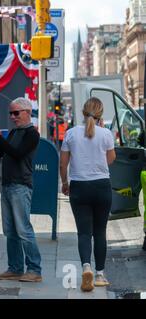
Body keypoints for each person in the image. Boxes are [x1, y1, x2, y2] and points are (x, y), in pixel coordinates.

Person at [60, 97, 116, 292]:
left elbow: (63, 163)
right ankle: (100, 274)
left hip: (79, 187)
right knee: (100, 231)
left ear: (83, 113)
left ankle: (86, 267)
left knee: (84, 232)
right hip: (101, 186)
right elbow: (110, 160)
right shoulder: (106, 134)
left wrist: (65, 183)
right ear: (100, 114)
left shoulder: (70, 134)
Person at [0, 97, 42, 283]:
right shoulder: (13, 133)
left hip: (21, 185)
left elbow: (18, 154)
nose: (12, 116)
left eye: (16, 113)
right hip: (7, 185)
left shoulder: (32, 134)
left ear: (27, 112)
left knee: (23, 229)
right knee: (10, 230)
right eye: (10, 113)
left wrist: (0, 138)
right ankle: (16, 268)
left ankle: (35, 269)